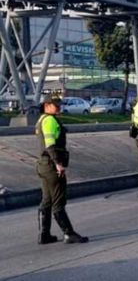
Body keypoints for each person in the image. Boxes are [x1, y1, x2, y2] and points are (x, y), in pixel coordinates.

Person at [36, 95, 89, 244]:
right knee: (59, 201)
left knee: (47, 200)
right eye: (55, 105)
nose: (58, 107)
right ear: (46, 105)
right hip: (51, 166)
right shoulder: (50, 120)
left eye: (59, 104)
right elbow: (50, 144)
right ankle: (69, 233)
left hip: (43, 165)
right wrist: (58, 163)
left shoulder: (41, 119)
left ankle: (44, 235)